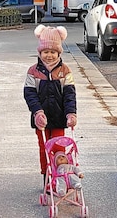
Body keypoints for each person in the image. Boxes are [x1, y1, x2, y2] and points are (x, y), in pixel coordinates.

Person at [23, 24, 77, 180]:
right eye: (46, 52)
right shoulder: (33, 71)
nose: (49, 55)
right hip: (42, 119)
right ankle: (46, 175)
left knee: (59, 148)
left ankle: (60, 176)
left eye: (53, 52)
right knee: (44, 147)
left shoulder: (65, 71)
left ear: (58, 52)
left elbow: (69, 94)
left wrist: (71, 113)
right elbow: (29, 93)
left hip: (59, 118)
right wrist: (37, 112)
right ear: (40, 52)